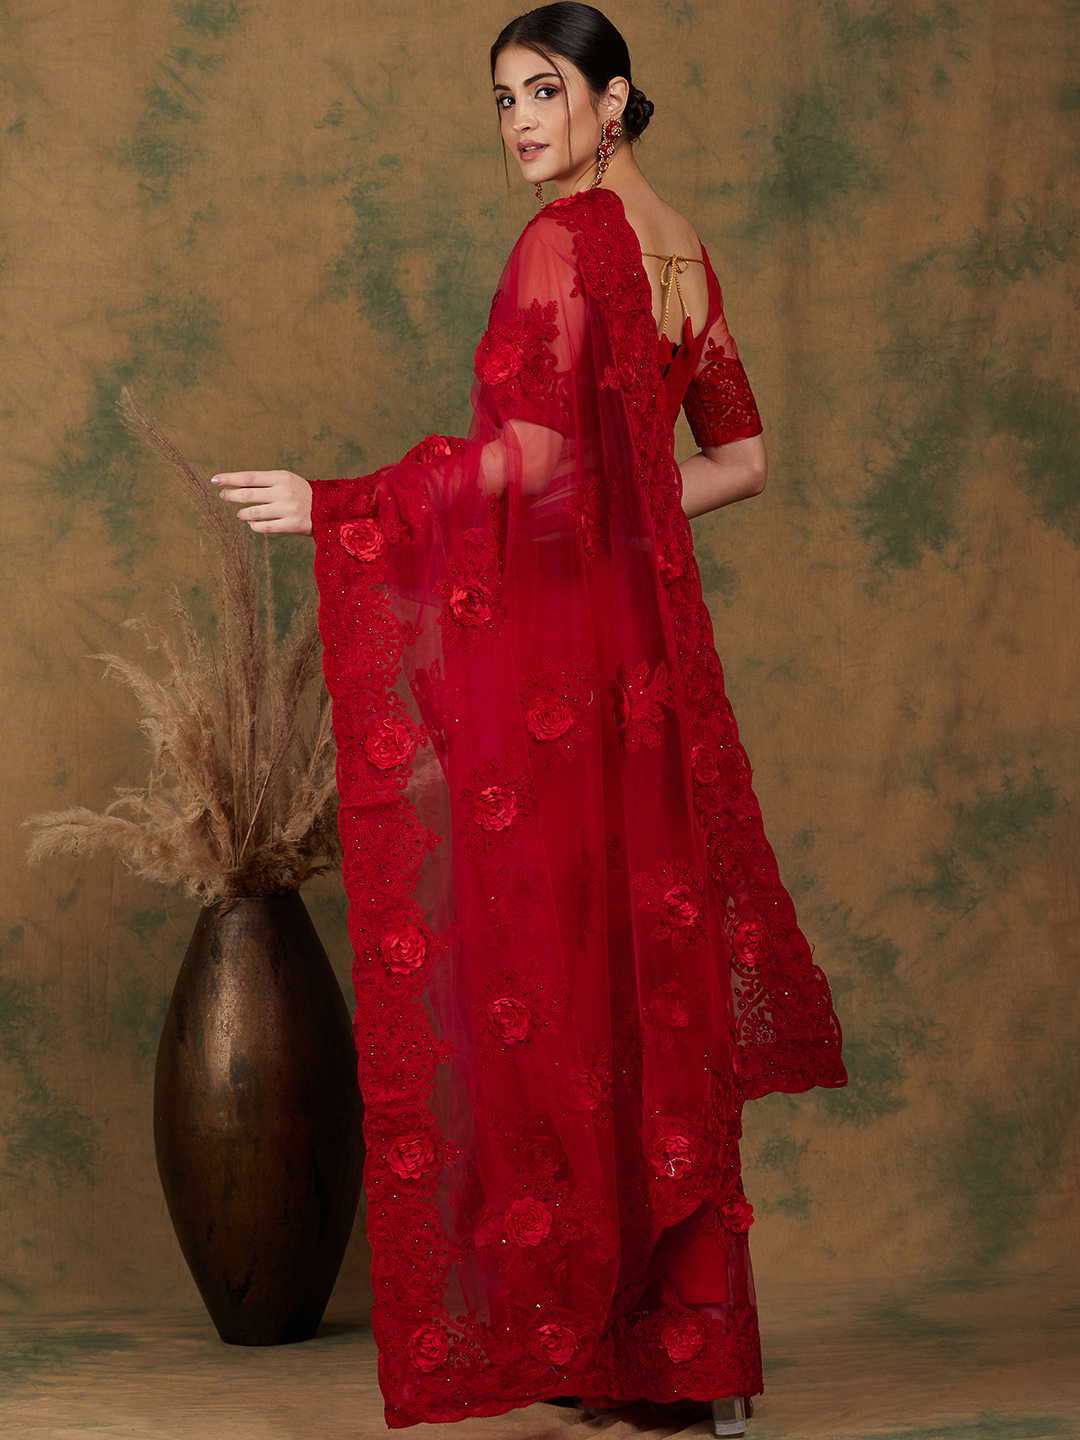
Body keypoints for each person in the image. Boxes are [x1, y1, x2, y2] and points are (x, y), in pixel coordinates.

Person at [213, 5, 846, 1432]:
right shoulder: (686, 255)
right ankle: (689, 1357)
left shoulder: (562, 244)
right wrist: (633, 524)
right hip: (651, 669)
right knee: (646, 981)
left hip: (563, 671)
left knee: (552, 981)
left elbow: (530, 461)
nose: (519, 123)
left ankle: (602, 1335)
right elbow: (739, 459)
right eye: (503, 99)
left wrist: (338, 502)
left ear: (614, 99)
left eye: (545, 91)